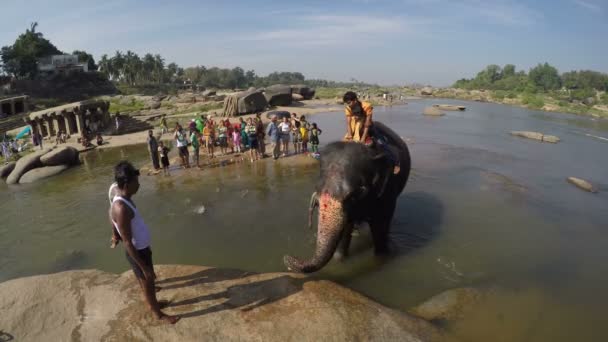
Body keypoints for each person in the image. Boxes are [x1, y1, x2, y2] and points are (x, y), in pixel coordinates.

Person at [110, 161, 179, 324]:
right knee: (147, 281)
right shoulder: (121, 207)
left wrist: (114, 234)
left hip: (141, 249)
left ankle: (152, 304)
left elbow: (109, 215)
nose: (139, 184)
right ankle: (158, 314)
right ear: (127, 184)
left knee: (146, 282)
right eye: (136, 182)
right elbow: (127, 242)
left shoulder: (121, 198)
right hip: (137, 252)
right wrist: (144, 267)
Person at [343, 91, 400, 174]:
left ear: (355, 100)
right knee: (344, 145)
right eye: (347, 103)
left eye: (349, 102)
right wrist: (350, 137)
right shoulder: (348, 108)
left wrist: (362, 140)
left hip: (368, 128)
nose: (348, 104)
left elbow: (367, 125)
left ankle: (396, 163)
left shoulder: (366, 106)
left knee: (382, 144)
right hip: (355, 128)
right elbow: (348, 124)